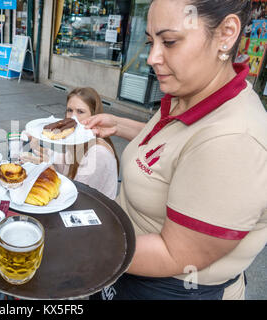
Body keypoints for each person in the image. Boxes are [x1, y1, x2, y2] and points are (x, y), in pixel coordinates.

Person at [83, 0, 267, 300]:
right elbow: (172, 148)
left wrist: (80, 244)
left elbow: (175, 254)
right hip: (126, 265)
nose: (153, 57)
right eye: (150, 41)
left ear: (226, 33)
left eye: (169, 41)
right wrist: (119, 124)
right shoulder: (190, 92)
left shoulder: (234, 141)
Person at [22, 87, 119, 200]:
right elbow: (59, 159)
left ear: (94, 116)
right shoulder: (75, 139)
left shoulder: (98, 153)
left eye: (80, 112)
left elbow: (76, 194)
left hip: (89, 209)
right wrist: (35, 141)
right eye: (69, 110)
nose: (73, 117)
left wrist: (49, 166)